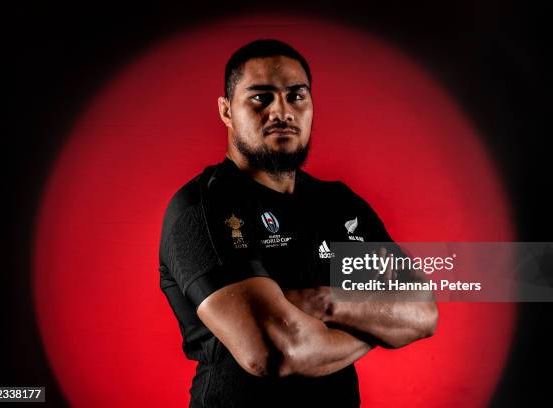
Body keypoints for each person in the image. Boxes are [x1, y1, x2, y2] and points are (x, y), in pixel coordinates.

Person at [158, 39, 438, 407]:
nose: (282, 112)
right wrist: (380, 325)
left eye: (296, 96)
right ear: (226, 111)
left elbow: (422, 311)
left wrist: (324, 303)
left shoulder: (337, 203)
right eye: (261, 98)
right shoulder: (203, 208)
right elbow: (277, 351)